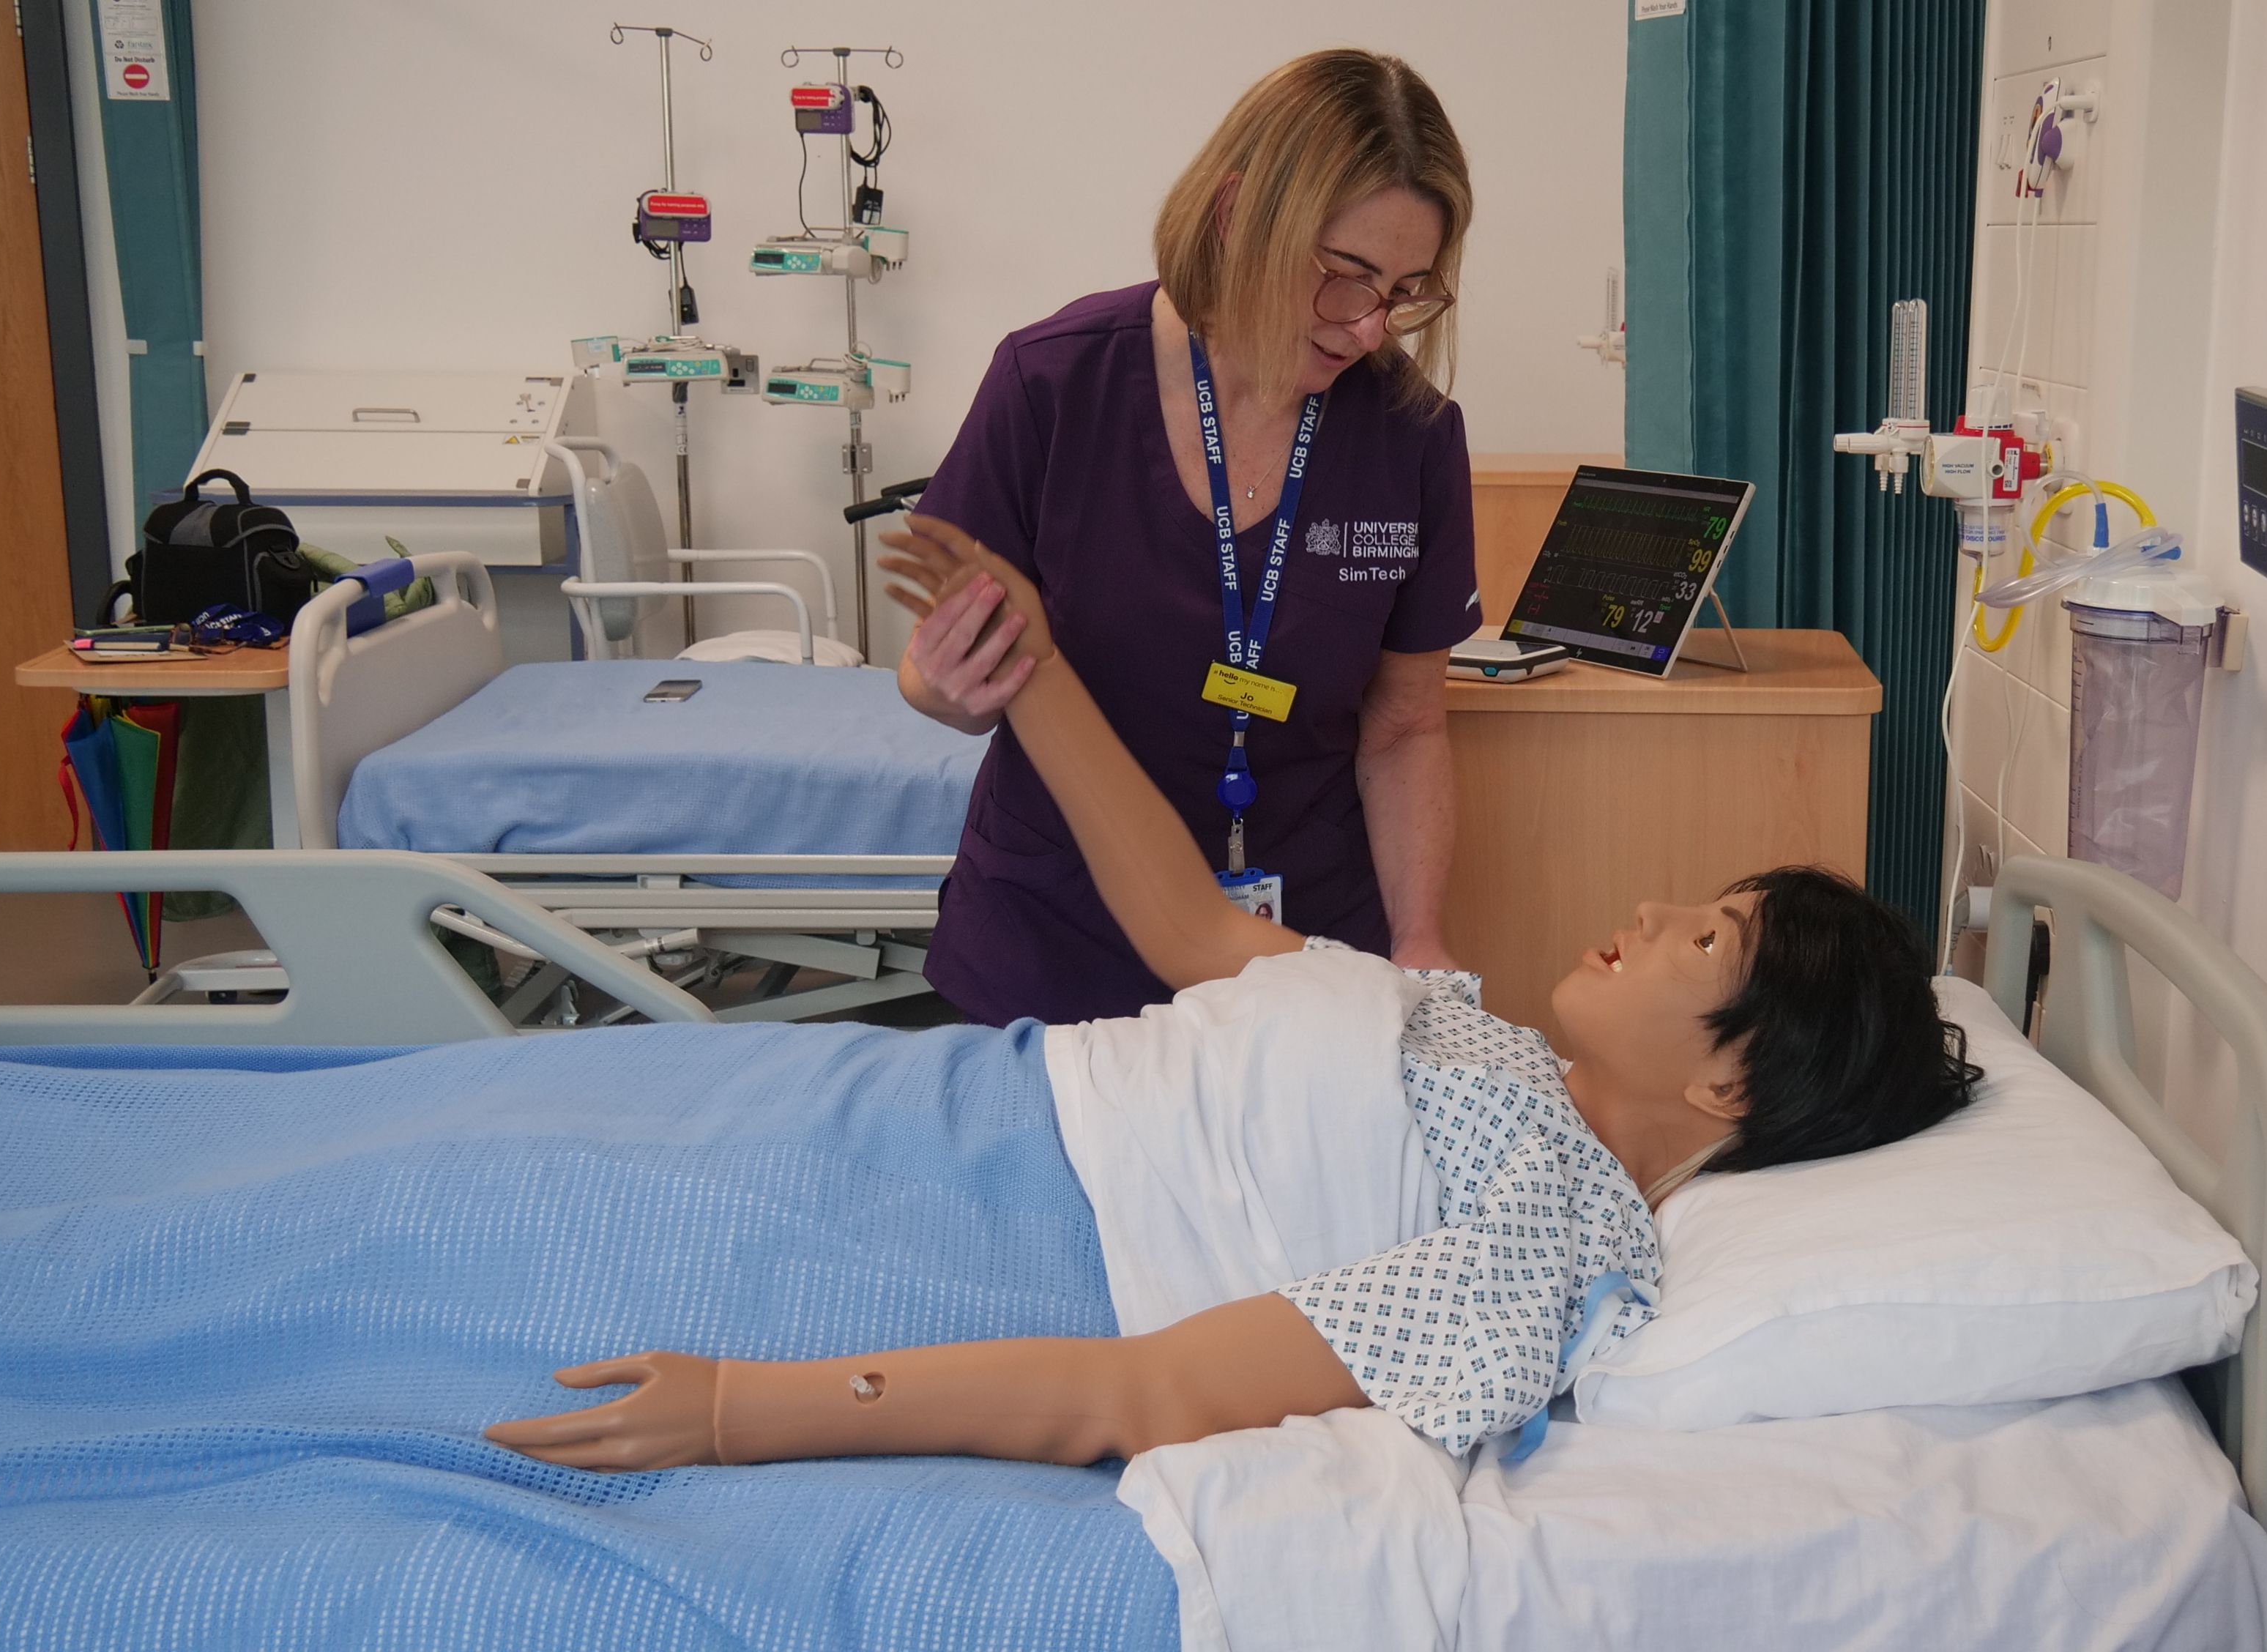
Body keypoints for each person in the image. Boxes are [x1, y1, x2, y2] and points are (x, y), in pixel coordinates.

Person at [484, 521, 1981, 1472]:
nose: (1650, 914)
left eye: (1707, 941)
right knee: (495, 1113)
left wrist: (740, 1413)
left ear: (1732, 1082)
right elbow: (1189, 927)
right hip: (948, 1093)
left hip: (999, 1213)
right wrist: (1035, 665)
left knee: (479, 1222)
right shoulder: (1480, 1037)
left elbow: (1141, 1394)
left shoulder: (1550, 1247)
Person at [890, 49, 1483, 1025]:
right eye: (1346, 277)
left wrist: (1419, 939)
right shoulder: (1054, 385)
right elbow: (931, 671)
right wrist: (950, 689)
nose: (1370, 329)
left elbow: (1406, 724)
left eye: (1406, 291)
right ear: (1237, 214)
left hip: (1302, 960)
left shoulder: (1409, 435)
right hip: (1056, 946)